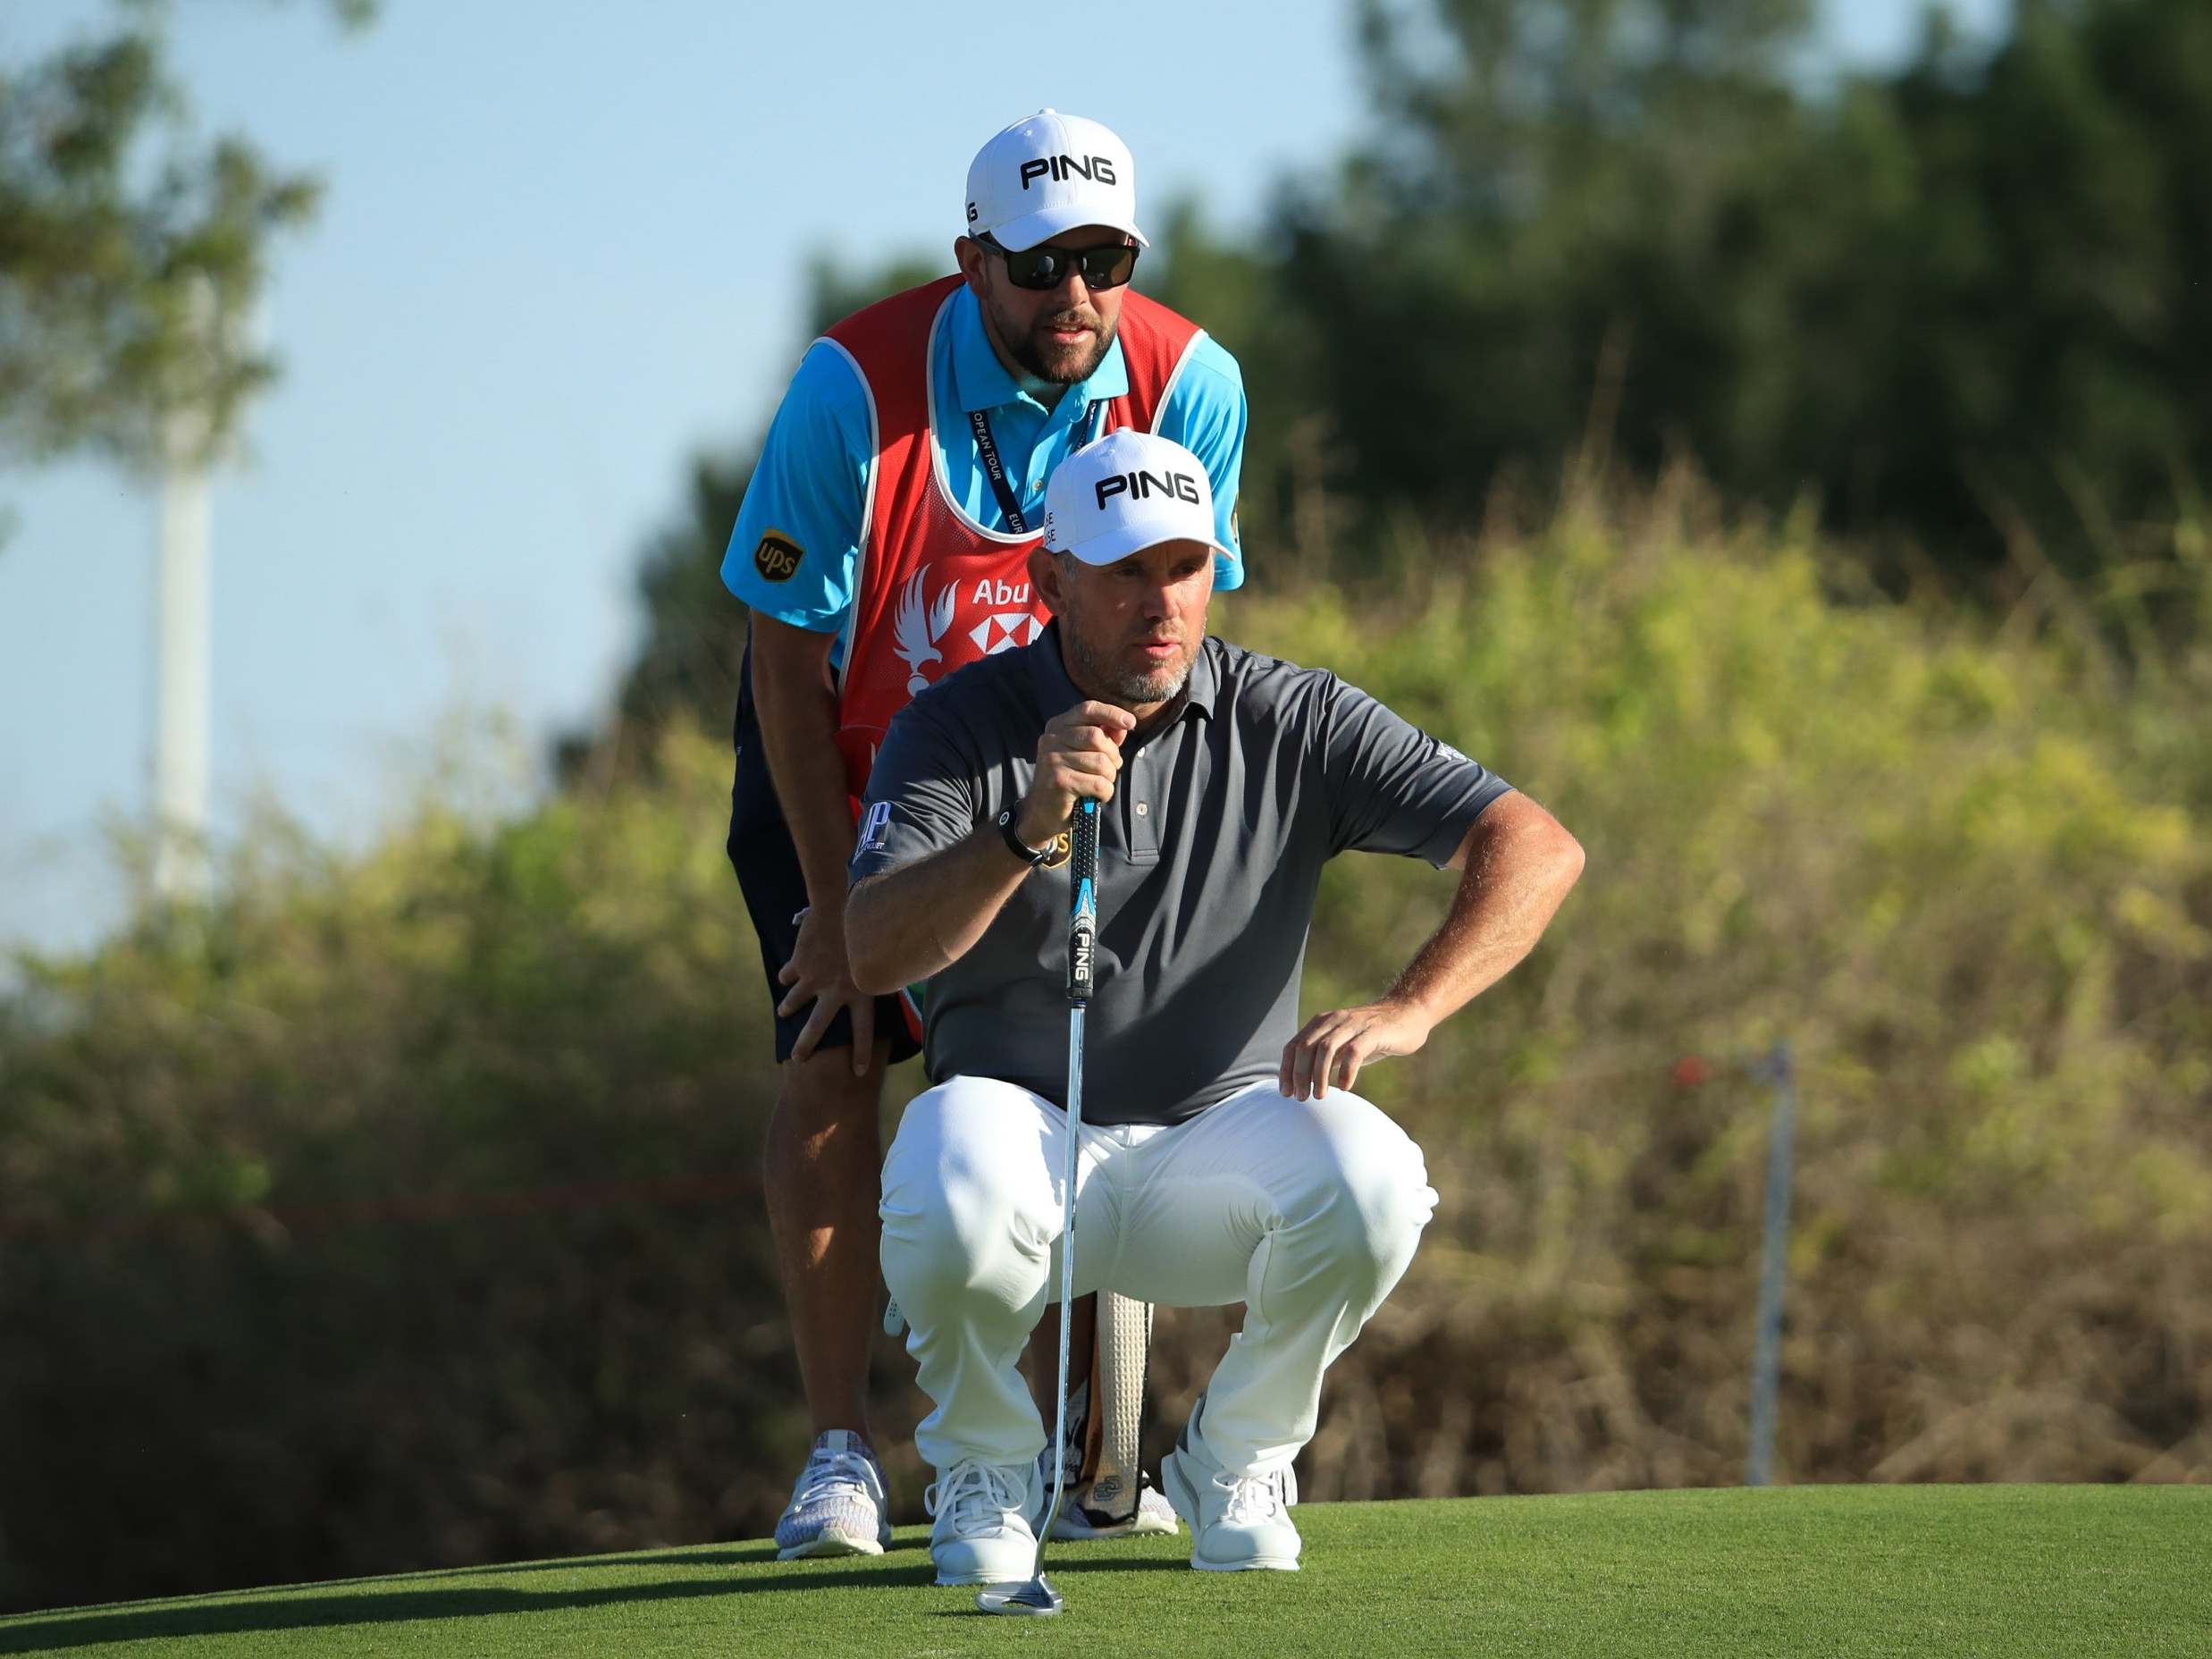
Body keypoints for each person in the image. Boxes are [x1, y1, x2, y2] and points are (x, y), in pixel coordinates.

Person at [845, 430, 1585, 1584]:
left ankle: (1235, 1457)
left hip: (1215, 1153)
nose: (1162, 601)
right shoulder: (955, 725)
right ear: (1050, 583)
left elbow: (1534, 845)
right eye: (1127, 570)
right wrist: (1017, 832)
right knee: (941, 1165)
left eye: (1185, 567)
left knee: (1377, 1177)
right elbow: (873, 949)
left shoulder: (1289, 716)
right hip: (1023, 1152)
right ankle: (986, 1468)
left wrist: (1414, 1004)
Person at [719, 109, 1249, 1559]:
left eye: (1106, 259)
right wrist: (844, 913)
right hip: (840, 748)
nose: (1076, 296)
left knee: (1072, 1065)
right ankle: (840, 1453)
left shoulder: (1189, 378)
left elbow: (1178, 624)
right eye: (1039, 265)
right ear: (971, 260)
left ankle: (1074, 1456)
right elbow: (781, 655)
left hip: (1068, 741)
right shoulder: (853, 389)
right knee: (836, 1046)